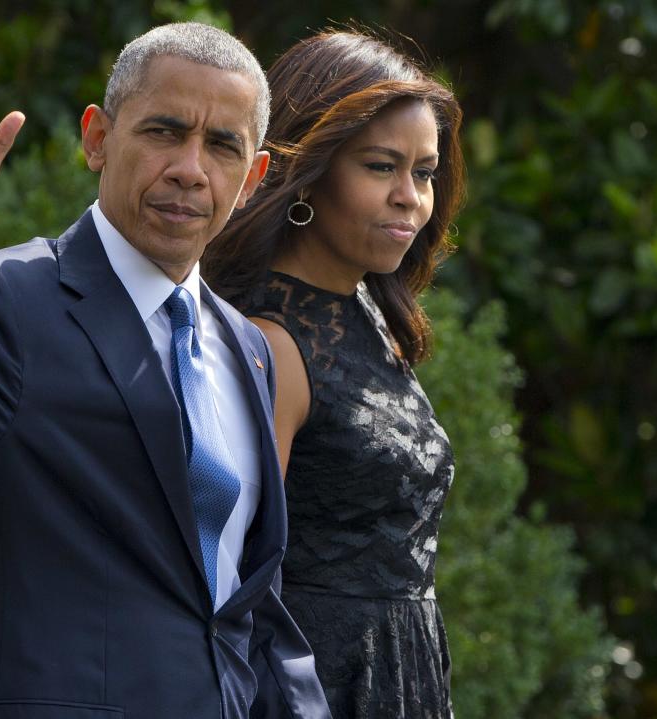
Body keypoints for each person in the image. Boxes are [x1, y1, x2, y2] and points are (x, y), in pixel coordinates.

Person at [0, 22, 331, 719]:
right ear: (97, 138)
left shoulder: (246, 347)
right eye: (164, 131)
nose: (190, 169)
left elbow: (246, 602)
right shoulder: (7, 298)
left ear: (253, 178)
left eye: (222, 146)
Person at [203, 30, 467, 719]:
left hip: (403, 677)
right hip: (315, 686)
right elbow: (229, 585)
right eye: (381, 167)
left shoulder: (368, 312)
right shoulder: (270, 342)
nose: (410, 197)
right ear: (308, 171)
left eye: (426, 172)